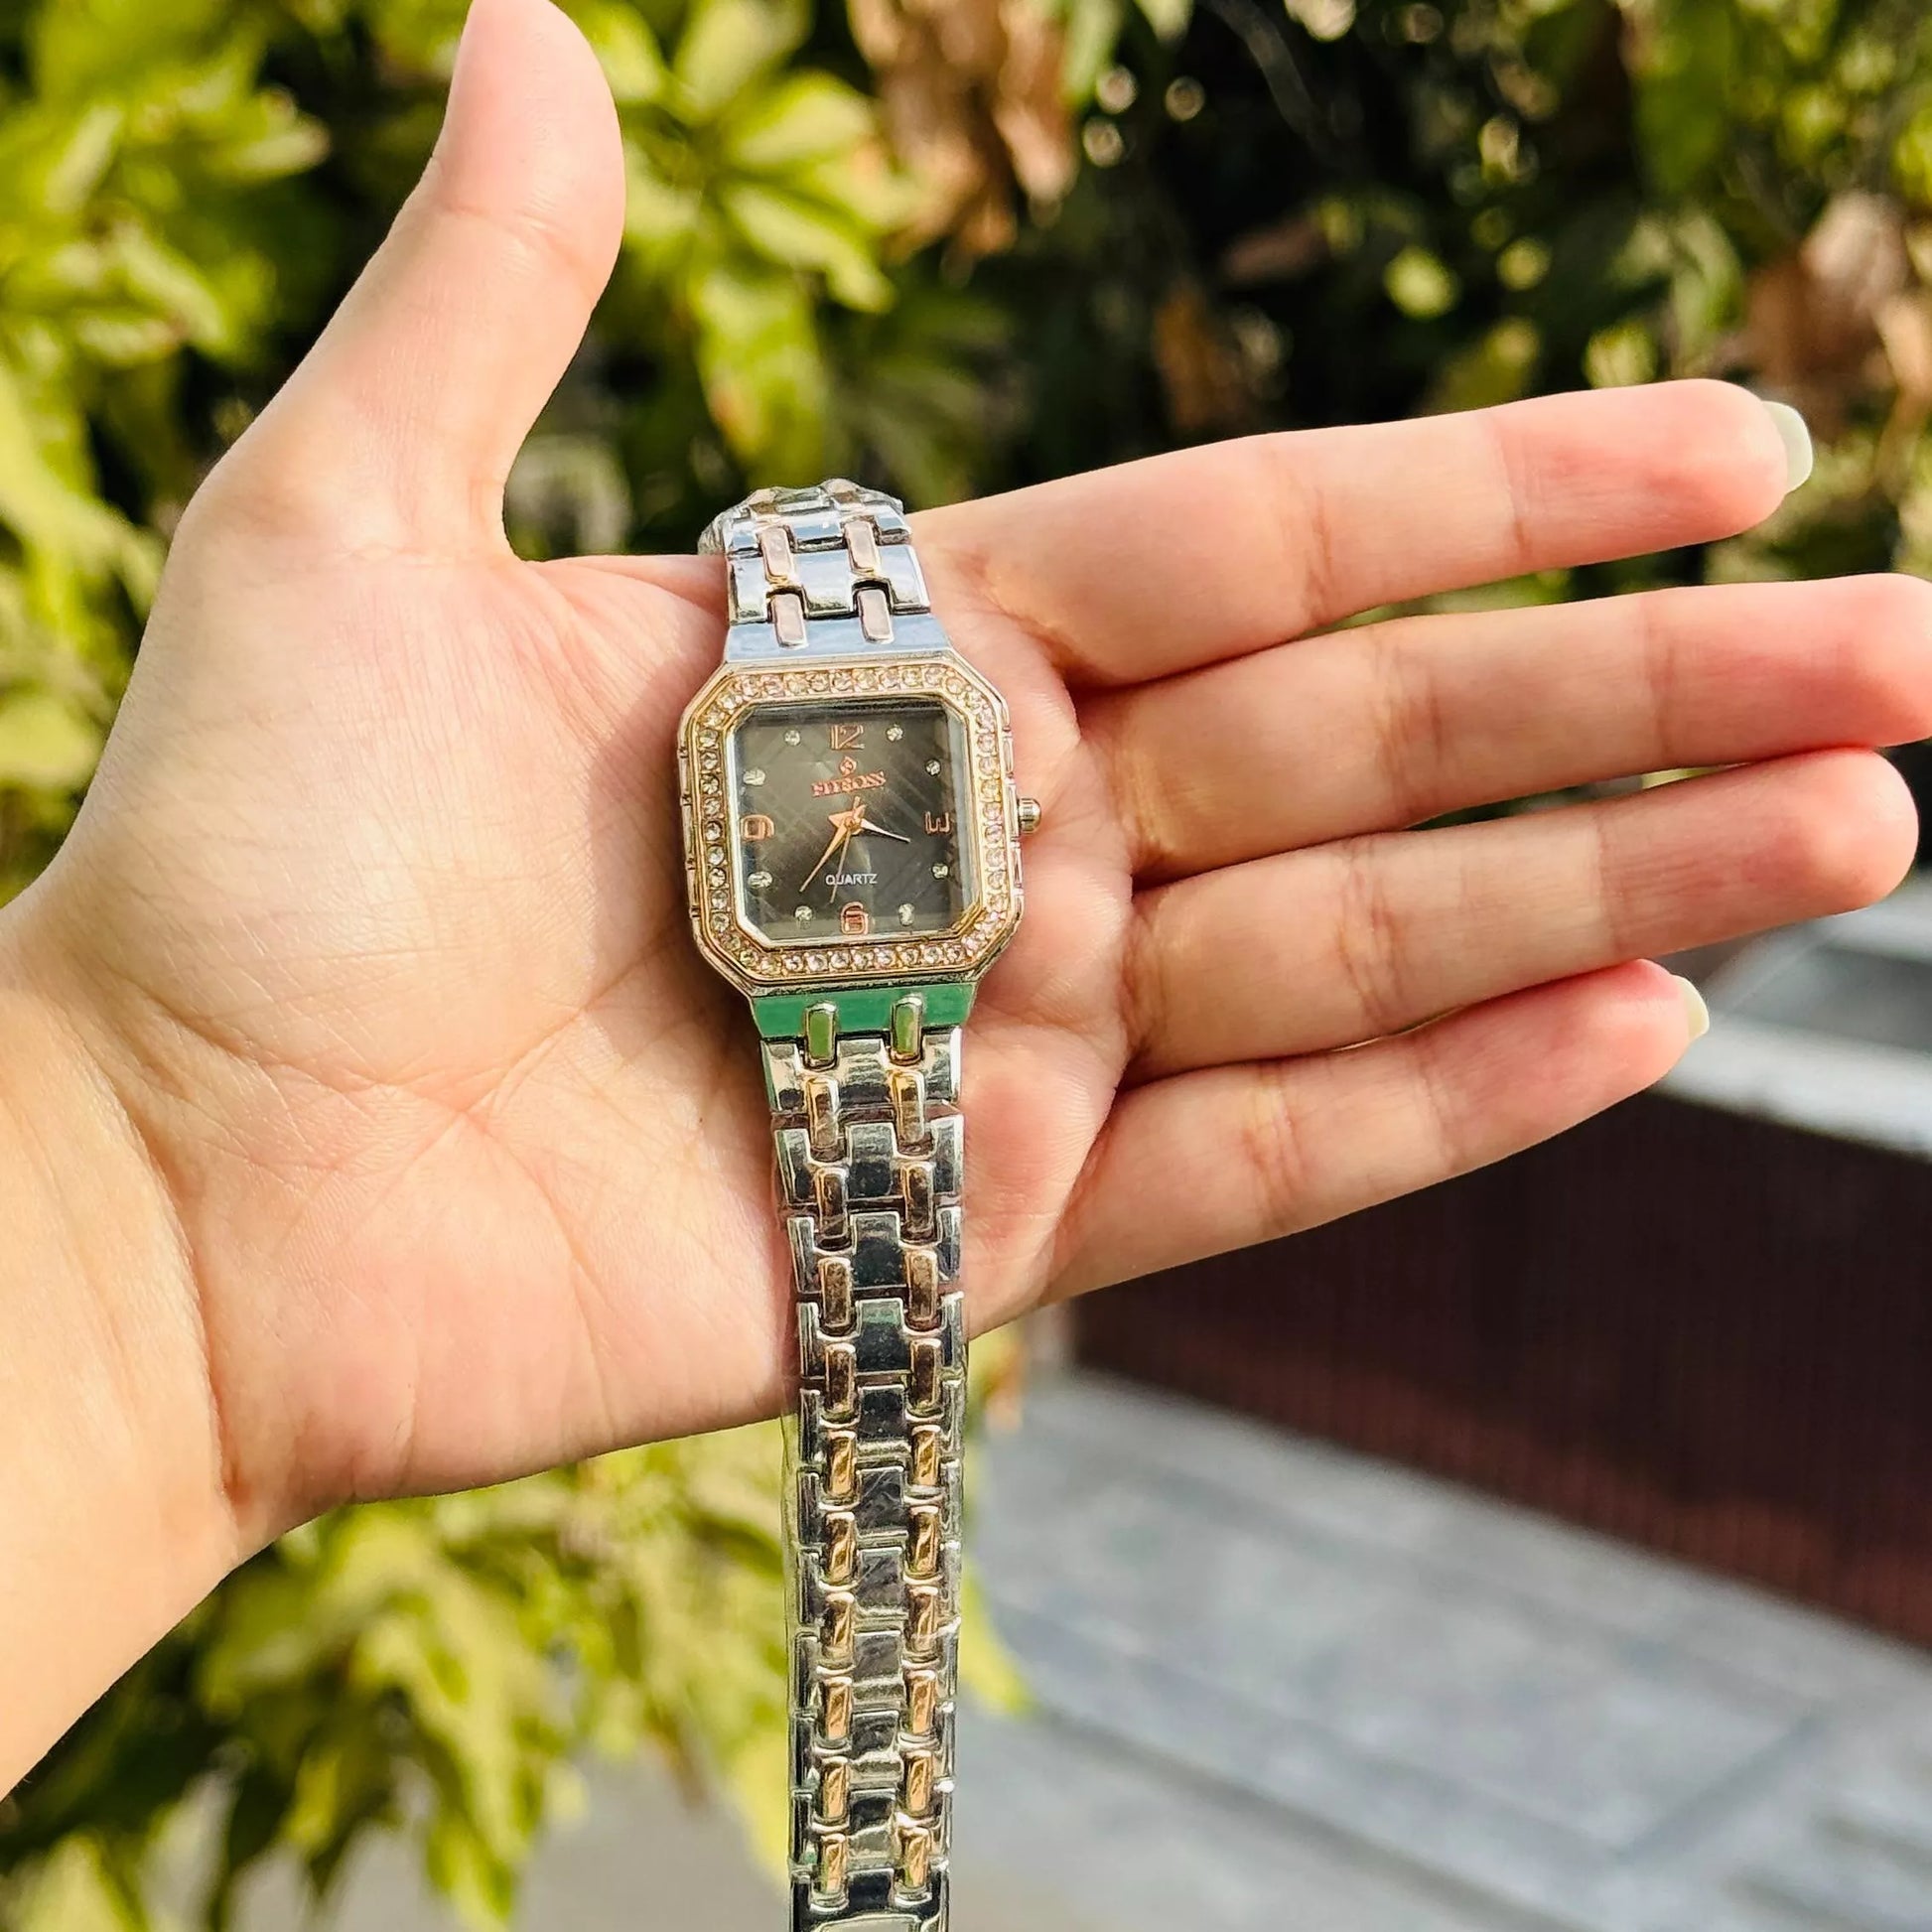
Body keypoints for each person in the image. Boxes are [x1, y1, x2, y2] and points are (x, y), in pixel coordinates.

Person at [2, 0, 1925, 1796]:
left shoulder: (900, 815)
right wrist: (133, 1188)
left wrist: (128, 1223)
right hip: (821, 1001)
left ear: (980, 813)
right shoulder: (788, 814)